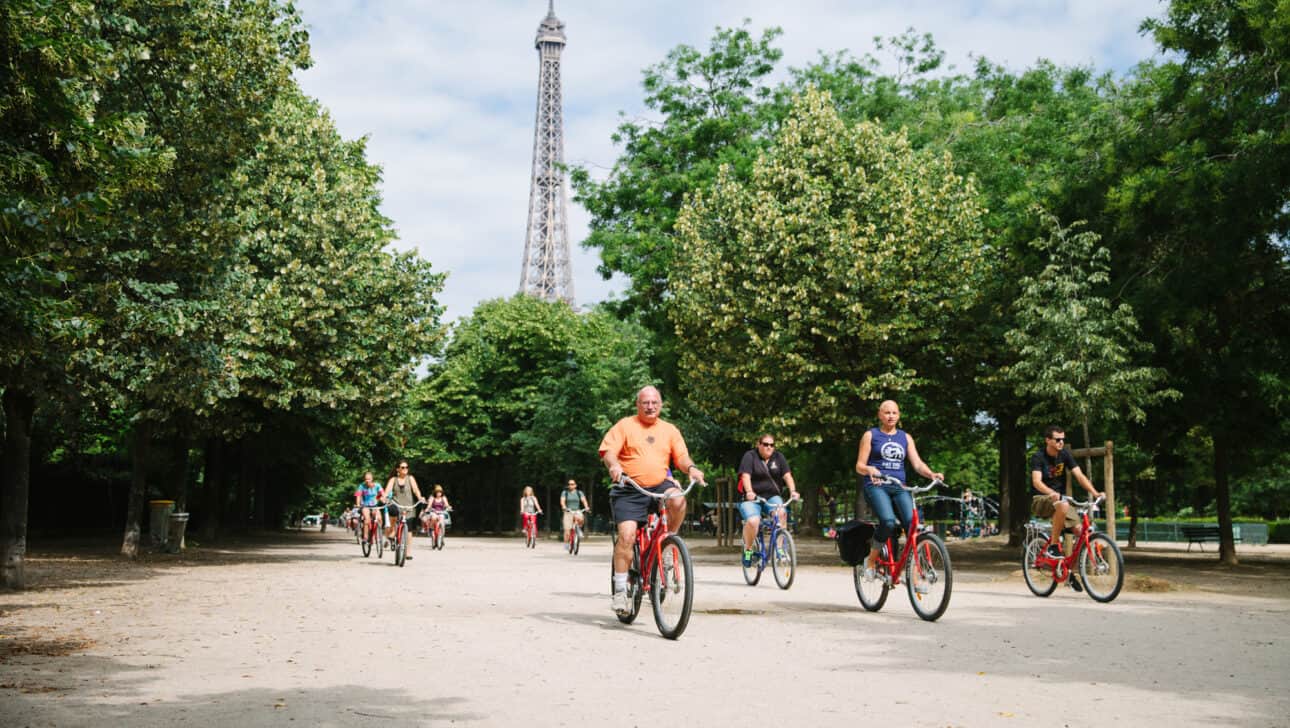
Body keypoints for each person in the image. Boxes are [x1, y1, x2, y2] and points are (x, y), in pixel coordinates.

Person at [599, 386, 705, 616]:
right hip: (630, 487)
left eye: (654, 402)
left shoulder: (669, 430)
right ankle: (620, 592)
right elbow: (608, 451)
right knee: (626, 536)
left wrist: (692, 469)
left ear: (661, 405)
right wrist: (614, 466)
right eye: (645, 402)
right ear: (637, 405)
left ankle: (668, 543)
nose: (650, 406)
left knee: (677, 499)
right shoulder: (625, 425)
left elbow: (682, 457)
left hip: (659, 484)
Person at [854, 400, 944, 579]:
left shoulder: (905, 437)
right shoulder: (870, 435)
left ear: (899, 415)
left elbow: (917, 464)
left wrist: (931, 474)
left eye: (894, 413)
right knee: (887, 521)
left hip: (899, 487)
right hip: (877, 486)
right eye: (887, 413)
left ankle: (913, 571)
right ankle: (871, 560)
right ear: (880, 415)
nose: (890, 416)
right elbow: (859, 466)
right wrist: (869, 469)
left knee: (913, 525)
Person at [1030, 425, 1101, 589]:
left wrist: (1095, 493)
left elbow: (1079, 475)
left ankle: (1067, 571)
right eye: (1057, 439)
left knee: (1080, 531)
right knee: (1062, 504)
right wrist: (1051, 493)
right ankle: (1053, 546)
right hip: (1041, 498)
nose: (1061, 442)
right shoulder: (1038, 457)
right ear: (1048, 440)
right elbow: (1036, 482)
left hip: (1060, 500)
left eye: (1063, 439)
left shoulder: (1065, 455)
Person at [736, 434, 800, 566]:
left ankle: (780, 550)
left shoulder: (779, 457)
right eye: (765, 444)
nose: (769, 447)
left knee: (781, 512)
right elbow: (745, 476)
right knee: (753, 521)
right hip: (752, 498)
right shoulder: (750, 456)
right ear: (758, 444)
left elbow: (787, 476)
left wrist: (793, 491)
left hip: (772, 496)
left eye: (772, 445)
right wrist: (749, 491)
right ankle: (748, 550)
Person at [385, 461, 425, 559]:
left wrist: (420, 497)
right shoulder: (393, 480)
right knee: (393, 511)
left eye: (406, 467)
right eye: (402, 467)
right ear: (397, 469)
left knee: (409, 529)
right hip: (396, 504)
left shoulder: (410, 478)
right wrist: (384, 497)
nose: (405, 469)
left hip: (408, 506)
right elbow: (387, 491)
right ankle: (393, 531)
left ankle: (407, 553)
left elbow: (416, 490)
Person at [353, 472, 384, 541]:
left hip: (375, 505)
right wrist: (358, 504)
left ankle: (377, 534)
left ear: (372, 479)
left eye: (369, 479)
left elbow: (382, 493)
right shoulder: (361, 486)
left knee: (379, 519)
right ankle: (365, 537)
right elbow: (358, 495)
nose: (367, 481)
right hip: (365, 506)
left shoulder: (377, 485)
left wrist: (383, 499)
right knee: (367, 520)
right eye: (366, 479)